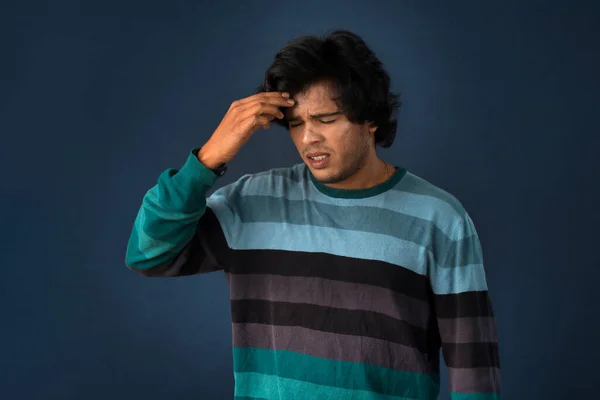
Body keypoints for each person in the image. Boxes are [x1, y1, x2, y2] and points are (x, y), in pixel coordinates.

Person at [125, 29, 501, 400]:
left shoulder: (439, 219)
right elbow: (148, 254)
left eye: (326, 119)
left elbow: (475, 375)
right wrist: (206, 161)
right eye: (296, 124)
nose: (308, 139)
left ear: (370, 118)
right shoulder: (253, 202)